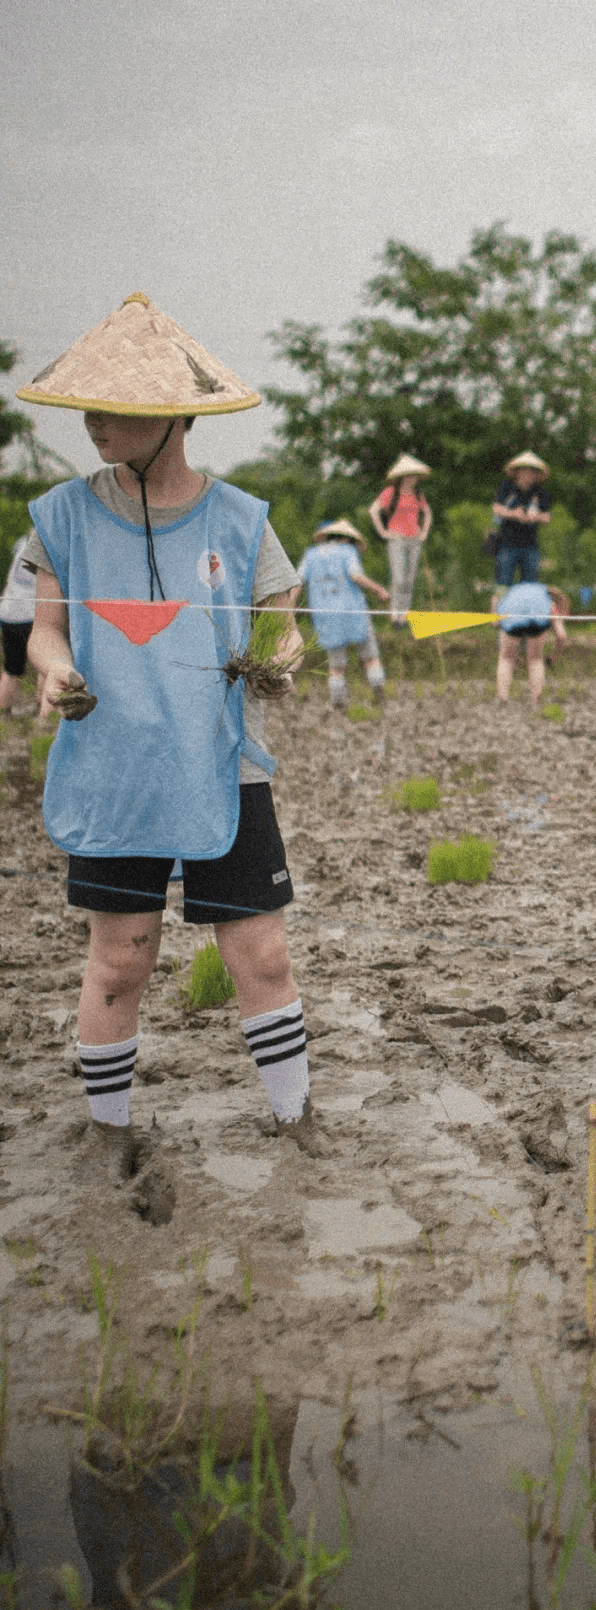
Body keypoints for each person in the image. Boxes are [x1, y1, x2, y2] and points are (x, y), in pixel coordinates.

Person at [18, 291, 324, 1176]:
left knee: (260, 954)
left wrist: (279, 656)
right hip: (116, 765)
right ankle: (108, 1134)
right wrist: (54, 668)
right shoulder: (61, 517)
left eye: (111, 411)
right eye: (89, 408)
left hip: (225, 765)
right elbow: (46, 629)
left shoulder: (244, 520)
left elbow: (281, 619)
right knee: (121, 957)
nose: (93, 425)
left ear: (167, 419)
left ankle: (297, 1124)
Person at [297, 518, 390, 707]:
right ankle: (379, 697)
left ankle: (338, 703)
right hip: (353, 610)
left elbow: (298, 581)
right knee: (370, 657)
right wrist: (378, 589)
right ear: (346, 538)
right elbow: (355, 576)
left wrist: (288, 607)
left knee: (336, 666)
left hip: (325, 614)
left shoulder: (310, 555)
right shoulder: (348, 552)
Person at [368, 454, 432, 627]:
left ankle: (403, 616)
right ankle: (395, 614)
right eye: (410, 475)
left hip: (414, 539)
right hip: (397, 539)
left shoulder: (418, 495)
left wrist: (424, 532)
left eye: (415, 475)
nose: (414, 478)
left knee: (410, 579)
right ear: (403, 476)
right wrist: (383, 531)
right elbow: (373, 510)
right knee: (398, 578)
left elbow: (427, 513)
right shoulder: (390, 493)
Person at [491, 581, 569, 705]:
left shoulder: (512, 592)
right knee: (535, 659)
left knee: (506, 658)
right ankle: (536, 699)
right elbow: (561, 635)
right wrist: (554, 656)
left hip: (511, 618)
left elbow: (494, 622)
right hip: (537, 622)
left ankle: (502, 697)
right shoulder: (549, 603)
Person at [491, 452, 551, 587]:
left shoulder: (541, 493)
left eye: (532, 471)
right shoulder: (506, 487)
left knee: (531, 584)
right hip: (507, 543)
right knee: (503, 582)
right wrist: (514, 514)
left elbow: (547, 517)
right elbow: (496, 509)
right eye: (525, 470)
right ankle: (498, 608)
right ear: (518, 472)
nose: (528, 474)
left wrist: (536, 517)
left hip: (530, 545)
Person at [0, 533, 45, 714]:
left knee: (11, 669)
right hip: (29, 614)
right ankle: (43, 711)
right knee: (44, 665)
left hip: (8, 612)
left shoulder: (22, 541)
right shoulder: (49, 547)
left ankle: (4, 712)